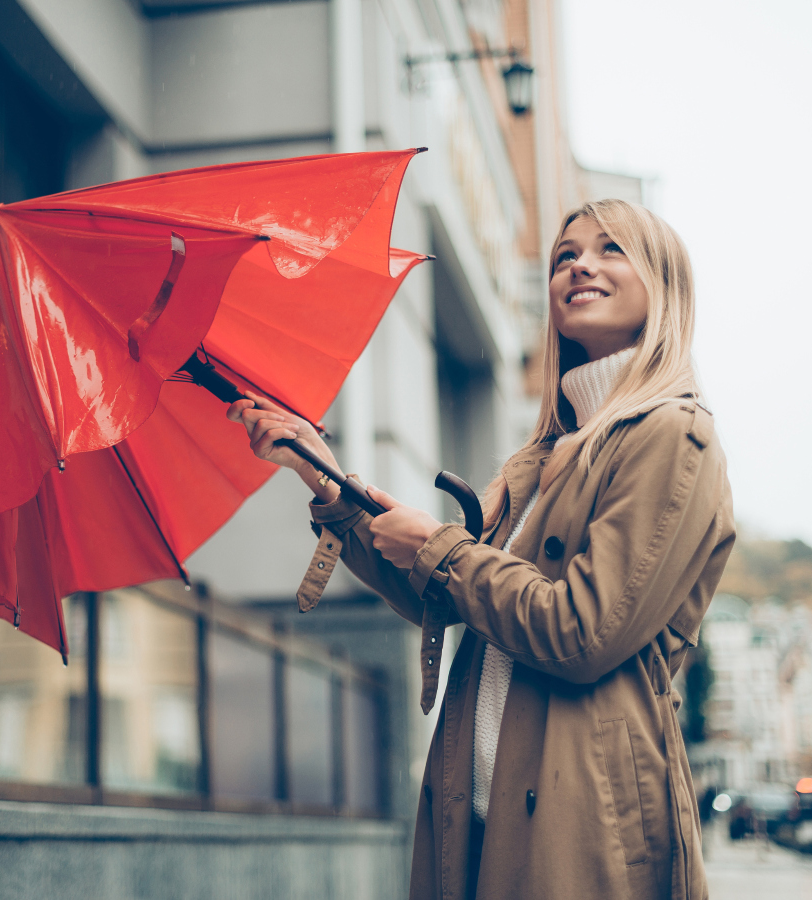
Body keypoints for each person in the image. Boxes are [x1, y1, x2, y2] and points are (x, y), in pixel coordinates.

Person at [227, 199, 734, 900]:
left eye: (611, 249)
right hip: (479, 818)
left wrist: (437, 546)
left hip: (580, 825)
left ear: (664, 286)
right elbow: (438, 592)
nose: (579, 264)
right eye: (565, 256)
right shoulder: (542, 459)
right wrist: (319, 471)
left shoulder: (673, 436)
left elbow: (580, 631)